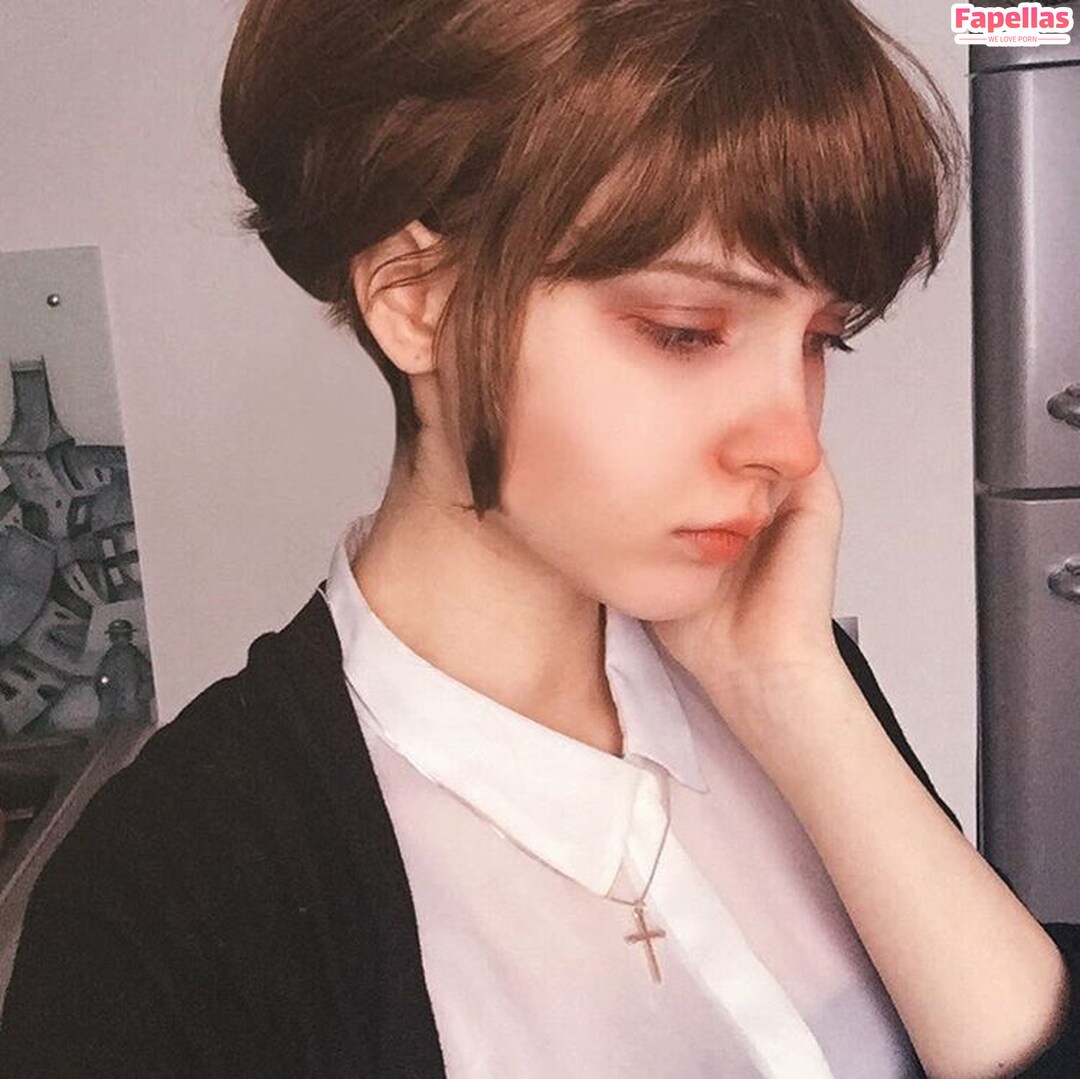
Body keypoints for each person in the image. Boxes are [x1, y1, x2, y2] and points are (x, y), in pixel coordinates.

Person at [1, 0, 1077, 1075]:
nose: (793, 445)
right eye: (685, 332)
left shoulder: (789, 673)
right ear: (416, 300)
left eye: (819, 340)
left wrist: (795, 695)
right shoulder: (164, 901)